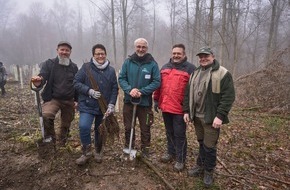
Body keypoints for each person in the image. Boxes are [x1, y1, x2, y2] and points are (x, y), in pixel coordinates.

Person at [183, 47, 235, 187]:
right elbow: (187, 94)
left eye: (206, 56)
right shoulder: (195, 73)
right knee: (201, 143)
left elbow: (228, 96)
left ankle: (209, 171)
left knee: (209, 146)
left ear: (213, 56)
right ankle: (200, 166)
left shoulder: (222, 73)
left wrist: (220, 115)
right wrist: (187, 111)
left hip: (211, 118)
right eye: (201, 56)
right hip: (197, 116)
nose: (203, 58)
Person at [74, 44, 118, 165]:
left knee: (100, 129)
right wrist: (89, 91)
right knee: (84, 126)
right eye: (97, 53)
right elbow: (76, 82)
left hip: (103, 107)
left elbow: (115, 88)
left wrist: (111, 104)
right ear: (93, 55)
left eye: (102, 53)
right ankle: (86, 151)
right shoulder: (86, 67)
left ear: (105, 54)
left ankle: (98, 150)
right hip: (87, 105)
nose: (100, 56)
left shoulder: (111, 70)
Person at [153, 44, 196, 171]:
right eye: (174, 53)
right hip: (166, 107)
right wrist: (156, 100)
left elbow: (193, 91)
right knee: (169, 132)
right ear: (171, 54)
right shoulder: (165, 67)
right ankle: (170, 152)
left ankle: (180, 159)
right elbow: (159, 86)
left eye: (179, 53)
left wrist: (188, 109)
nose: (176, 55)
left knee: (179, 134)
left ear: (184, 54)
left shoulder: (191, 69)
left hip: (180, 109)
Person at [118, 38, 160, 157]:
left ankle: (145, 150)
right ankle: (128, 147)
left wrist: (142, 91)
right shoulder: (128, 62)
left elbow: (156, 81)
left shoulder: (152, 64)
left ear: (147, 48)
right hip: (129, 101)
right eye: (138, 47)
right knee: (128, 127)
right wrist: (130, 90)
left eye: (143, 47)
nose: (141, 49)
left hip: (145, 103)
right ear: (135, 47)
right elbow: (121, 78)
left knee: (145, 128)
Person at [31, 41, 78, 147]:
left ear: (70, 52)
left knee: (67, 122)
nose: (64, 52)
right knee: (46, 116)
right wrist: (39, 81)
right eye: (62, 49)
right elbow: (42, 76)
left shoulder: (74, 67)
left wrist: (77, 100)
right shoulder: (49, 63)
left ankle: (63, 140)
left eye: (67, 50)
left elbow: (77, 85)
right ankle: (50, 140)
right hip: (53, 98)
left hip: (69, 99)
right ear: (57, 51)